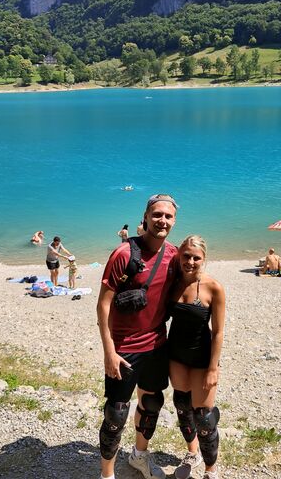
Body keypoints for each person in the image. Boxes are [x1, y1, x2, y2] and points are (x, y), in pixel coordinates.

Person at [97, 194, 179, 479]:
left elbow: (192, 284)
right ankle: (107, 474)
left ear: (174, 221)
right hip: (124, 348)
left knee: (152, 403)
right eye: (157, 215)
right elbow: (103, 306)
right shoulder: (123, 255)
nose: (162, 220)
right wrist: (109, 351)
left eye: (168, 216)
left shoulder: (174, 255)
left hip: (157, 343)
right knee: (116, 414)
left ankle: (139, 456)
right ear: (145, 217)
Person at [169, 236, 225, 479]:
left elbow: (219, 332)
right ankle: (193, 452)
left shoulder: (214, 287)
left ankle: (210, 471)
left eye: (196, 257)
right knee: (182, 406)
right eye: (186, 256)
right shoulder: (172, 282)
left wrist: (213, 368)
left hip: (202, 357)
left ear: (204, 259)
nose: (190, 261)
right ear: (179, 256)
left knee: (203, 417)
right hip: (176, 355)